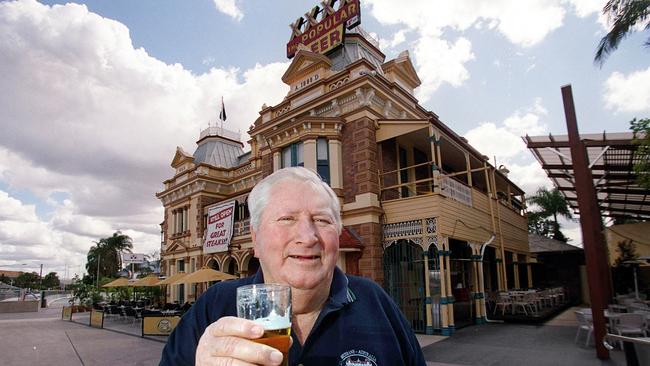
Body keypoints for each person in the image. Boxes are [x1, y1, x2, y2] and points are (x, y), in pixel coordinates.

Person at [160, 167, 425, 366]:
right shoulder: (214, 306)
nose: (308, 237)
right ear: (255, 237)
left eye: (322, 220)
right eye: (287, 218)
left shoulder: (376, 301)